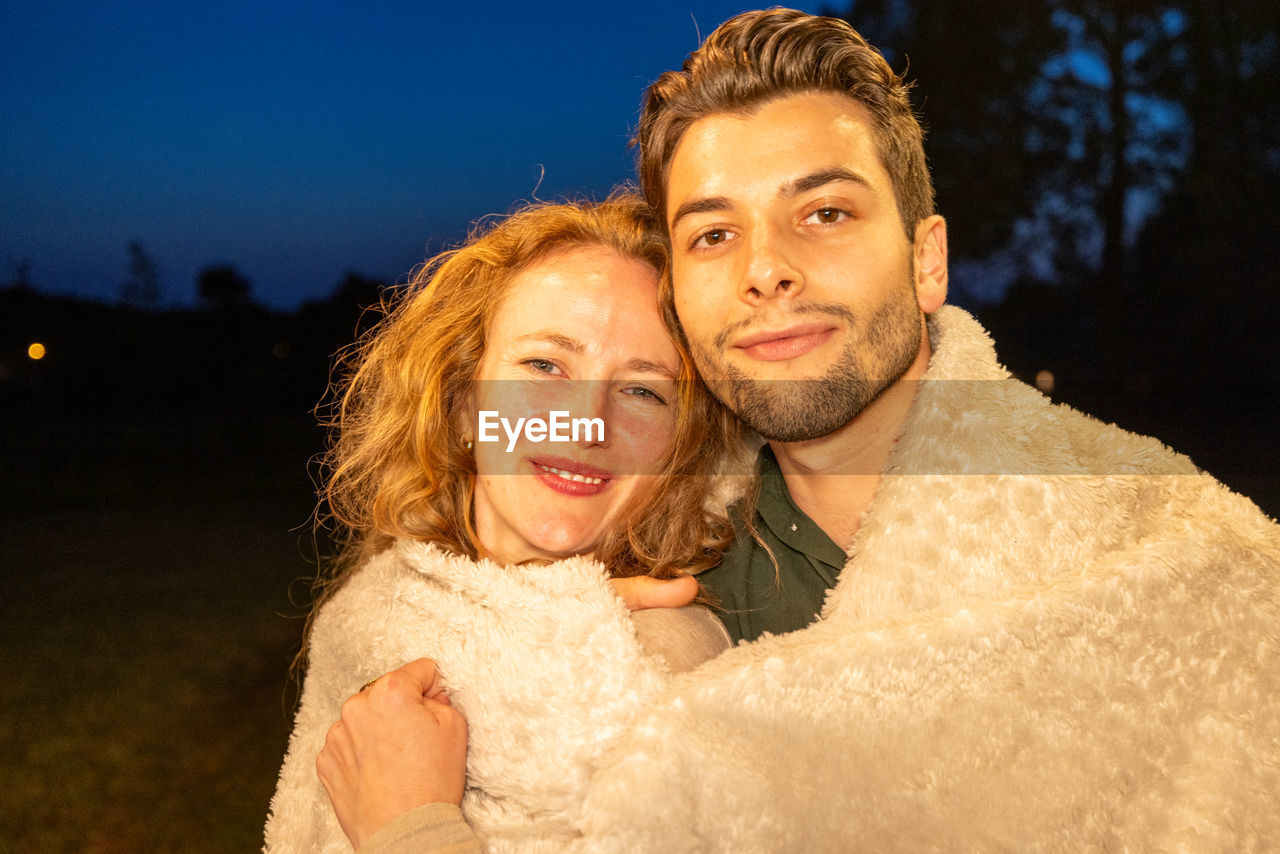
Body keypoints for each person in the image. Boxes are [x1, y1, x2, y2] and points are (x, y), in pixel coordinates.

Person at [313, 9, 1280, 852]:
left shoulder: (1184, 568)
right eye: (713, 234)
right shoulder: (634, 582)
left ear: (928, 259)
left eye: (822, 211)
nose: (766, 269)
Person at [262, 194, 743, 853]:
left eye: (642, 389)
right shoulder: (370, 612)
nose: (587, 422)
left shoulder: (672, 671)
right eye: (545, 366)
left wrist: (407, 831)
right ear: (463, 402)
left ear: (681, 449)